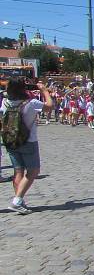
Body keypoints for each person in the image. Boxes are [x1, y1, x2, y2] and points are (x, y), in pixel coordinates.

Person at [1, 79, 54, 213]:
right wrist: (44, 91)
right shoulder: (31, 103)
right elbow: (49, 106)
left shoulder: (5, 102)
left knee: (18, 171)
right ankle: (17, 200)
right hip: (28, 140)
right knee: (33, 171)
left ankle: (19, 199)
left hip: (11, 140)